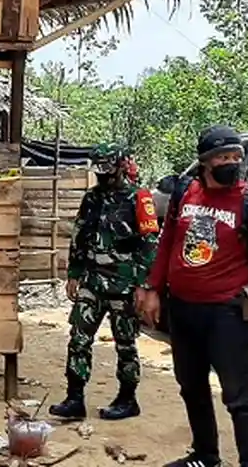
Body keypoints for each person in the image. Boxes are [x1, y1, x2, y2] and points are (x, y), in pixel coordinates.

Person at [139, 125, 248, 467]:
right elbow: (168, 242)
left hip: (227, 315)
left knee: (239, 398)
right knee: (192, 387)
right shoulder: (185, 192)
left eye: (235, 157)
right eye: (222, 157)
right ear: (205, 162)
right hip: (184, 310)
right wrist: (153, 288)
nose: (231, 163)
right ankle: (205, 455)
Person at [49, 143, 159, 422]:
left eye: (108, 168)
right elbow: (80, 235)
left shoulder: (139, 198)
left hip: (124, 284)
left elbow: (149, 244)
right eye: (99, 168)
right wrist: (73, 273)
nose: (103, 174)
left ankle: (127, 399)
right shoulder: (92, 198)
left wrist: (142, 285)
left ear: (121, 166)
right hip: (92, 281)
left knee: (125, 343)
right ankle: (75, 399)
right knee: (78, 339)